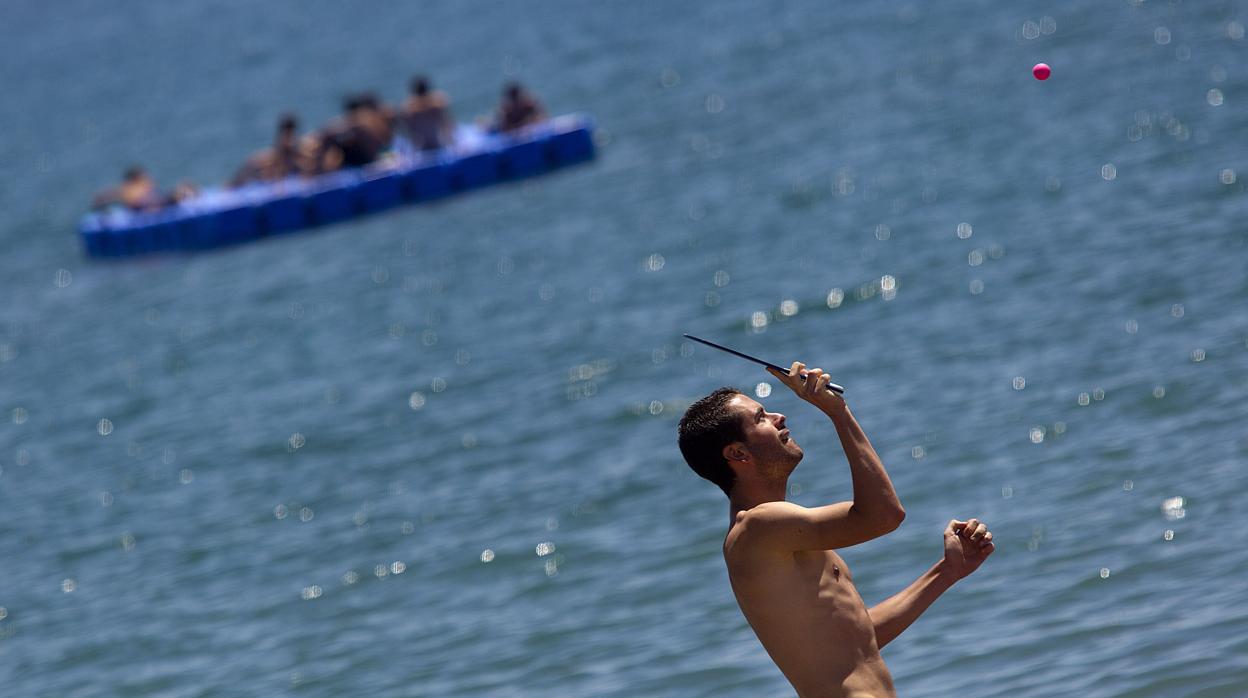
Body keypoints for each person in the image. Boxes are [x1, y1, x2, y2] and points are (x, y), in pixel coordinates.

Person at [677, 362, 995, 697]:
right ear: (738, 453)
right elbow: (884, 515)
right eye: (760, 418)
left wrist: (947, 571)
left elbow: (858, 641)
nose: (779, 416)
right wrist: (838, 413)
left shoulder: (777, 532)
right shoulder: (757, 526)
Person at [228, 113, 310, 187]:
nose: (289, 140)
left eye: (290, 135)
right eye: (286, 135)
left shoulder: (301, 155)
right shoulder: (268, 158)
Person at [91, 166, 196, 211]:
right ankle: (188, 194)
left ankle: (189, 194)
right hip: (151, 204)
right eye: (142, 175)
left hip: (155, 200)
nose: (146, 177)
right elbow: (111, 194)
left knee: (181, 188)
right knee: (177, 193)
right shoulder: (129, 189)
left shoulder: (138, 187)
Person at [398, 74, 454, 151]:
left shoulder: (409, 107)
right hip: (434, 141)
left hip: (422, 143)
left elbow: (405, 125)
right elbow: (446, 120)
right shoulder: (436, 102)